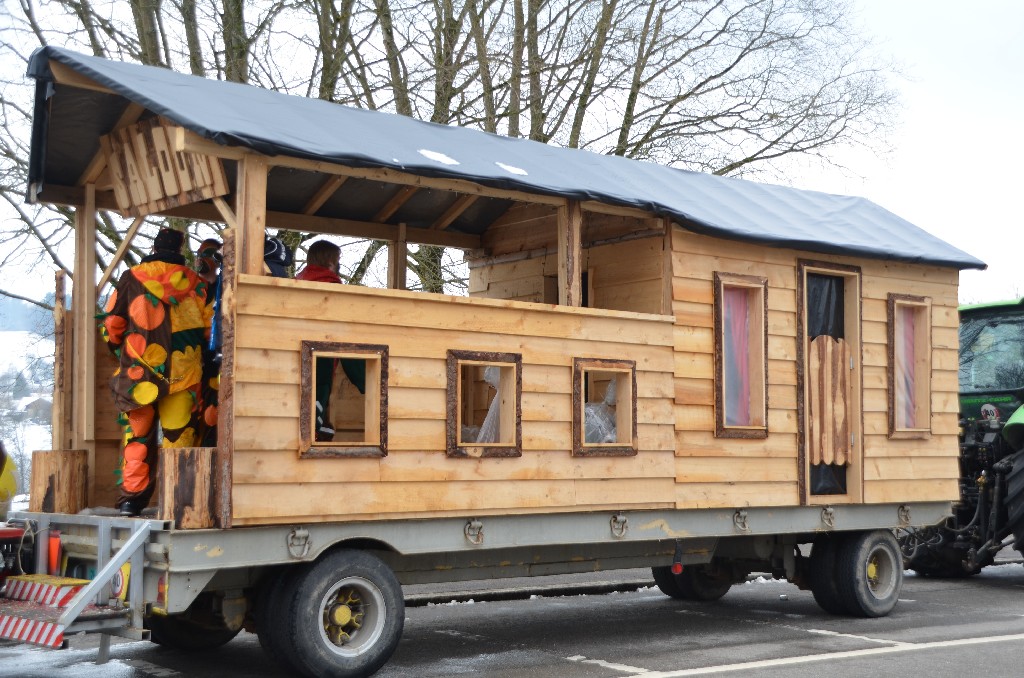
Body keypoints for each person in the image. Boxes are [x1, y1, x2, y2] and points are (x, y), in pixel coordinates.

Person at [99, 227, 210, 516]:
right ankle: (178, 503)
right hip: (184, 375)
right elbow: (210, 329)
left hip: (140, 376)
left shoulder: (131, 278)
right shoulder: (198, 284)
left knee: (137, 440)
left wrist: (121, 352)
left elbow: (112, 323)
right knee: (180, 441)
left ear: (155, 247)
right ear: (180, 250)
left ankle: (130, 502)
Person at [296, 240, 344, 441]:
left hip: (296, 351)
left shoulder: (296, 283)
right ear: (331, 262)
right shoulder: (332, 285)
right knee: (318, 398)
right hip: (323, 353)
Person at [195, 238, 222, 447]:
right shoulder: (189, 288)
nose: (202, 259)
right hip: (190, 365)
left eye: (208, 253)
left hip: (215, 366)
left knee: (213, 418)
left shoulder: (223, 288)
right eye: (200, 253)